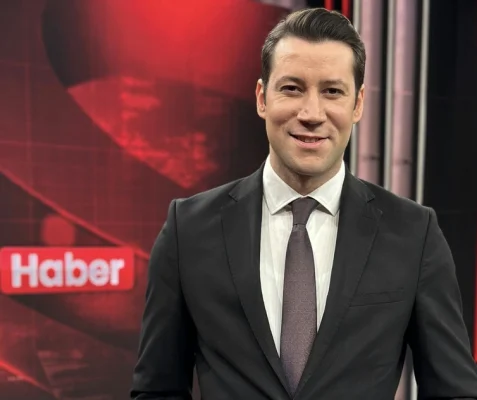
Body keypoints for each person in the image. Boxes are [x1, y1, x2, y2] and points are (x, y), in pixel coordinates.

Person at [130, 7, 477, 400]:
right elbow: (157, 389)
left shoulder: (414, 233)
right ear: (262, 97)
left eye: (332, 91)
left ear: (358, 104)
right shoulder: (188, 229)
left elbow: (454, 391)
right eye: (292, 88)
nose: (312, 114)